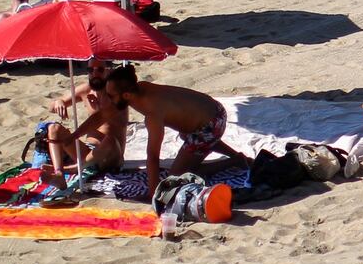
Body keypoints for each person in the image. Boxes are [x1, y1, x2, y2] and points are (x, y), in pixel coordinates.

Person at [100, 66, 249, 201]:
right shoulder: (141, 88)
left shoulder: (153, 113)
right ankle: (234, 155)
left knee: (176, 176)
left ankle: (234, 162)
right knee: (189, 136)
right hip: (215, 110)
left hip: (211, 125)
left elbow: (152, 156)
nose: (109, 98)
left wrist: (153, 193)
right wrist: (75, 135)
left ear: (126, 95)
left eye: (111, 95)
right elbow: (105, 114)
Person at [43, 58, 128, 184]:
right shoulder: (86, 90)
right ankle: (59, 173)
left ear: (108, 71)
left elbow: (112, 120)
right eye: (90, 70)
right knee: (54, 128)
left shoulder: (116, 94)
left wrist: (98, 109)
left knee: (110, 139)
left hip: (111, 154)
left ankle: (72, 169)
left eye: (99, 70)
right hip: (88, 151)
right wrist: (59, 102)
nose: (95, 74)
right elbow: (51, 107)